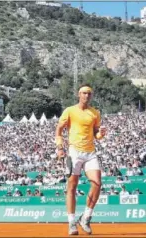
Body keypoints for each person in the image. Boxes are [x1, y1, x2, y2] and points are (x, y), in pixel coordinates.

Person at [55, 83, 107, 235]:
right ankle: (71, 222)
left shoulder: (95, 113)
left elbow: (96, 134)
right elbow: (59, 130)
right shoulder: (70, 111)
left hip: (90, 152)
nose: (86, 95)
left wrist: (101, 134)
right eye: (84, 93)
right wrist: (59, 147)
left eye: (89, 93)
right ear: (79, 94)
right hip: (74, 151)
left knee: (97, 183)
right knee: (72, 186)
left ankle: (86, 217)